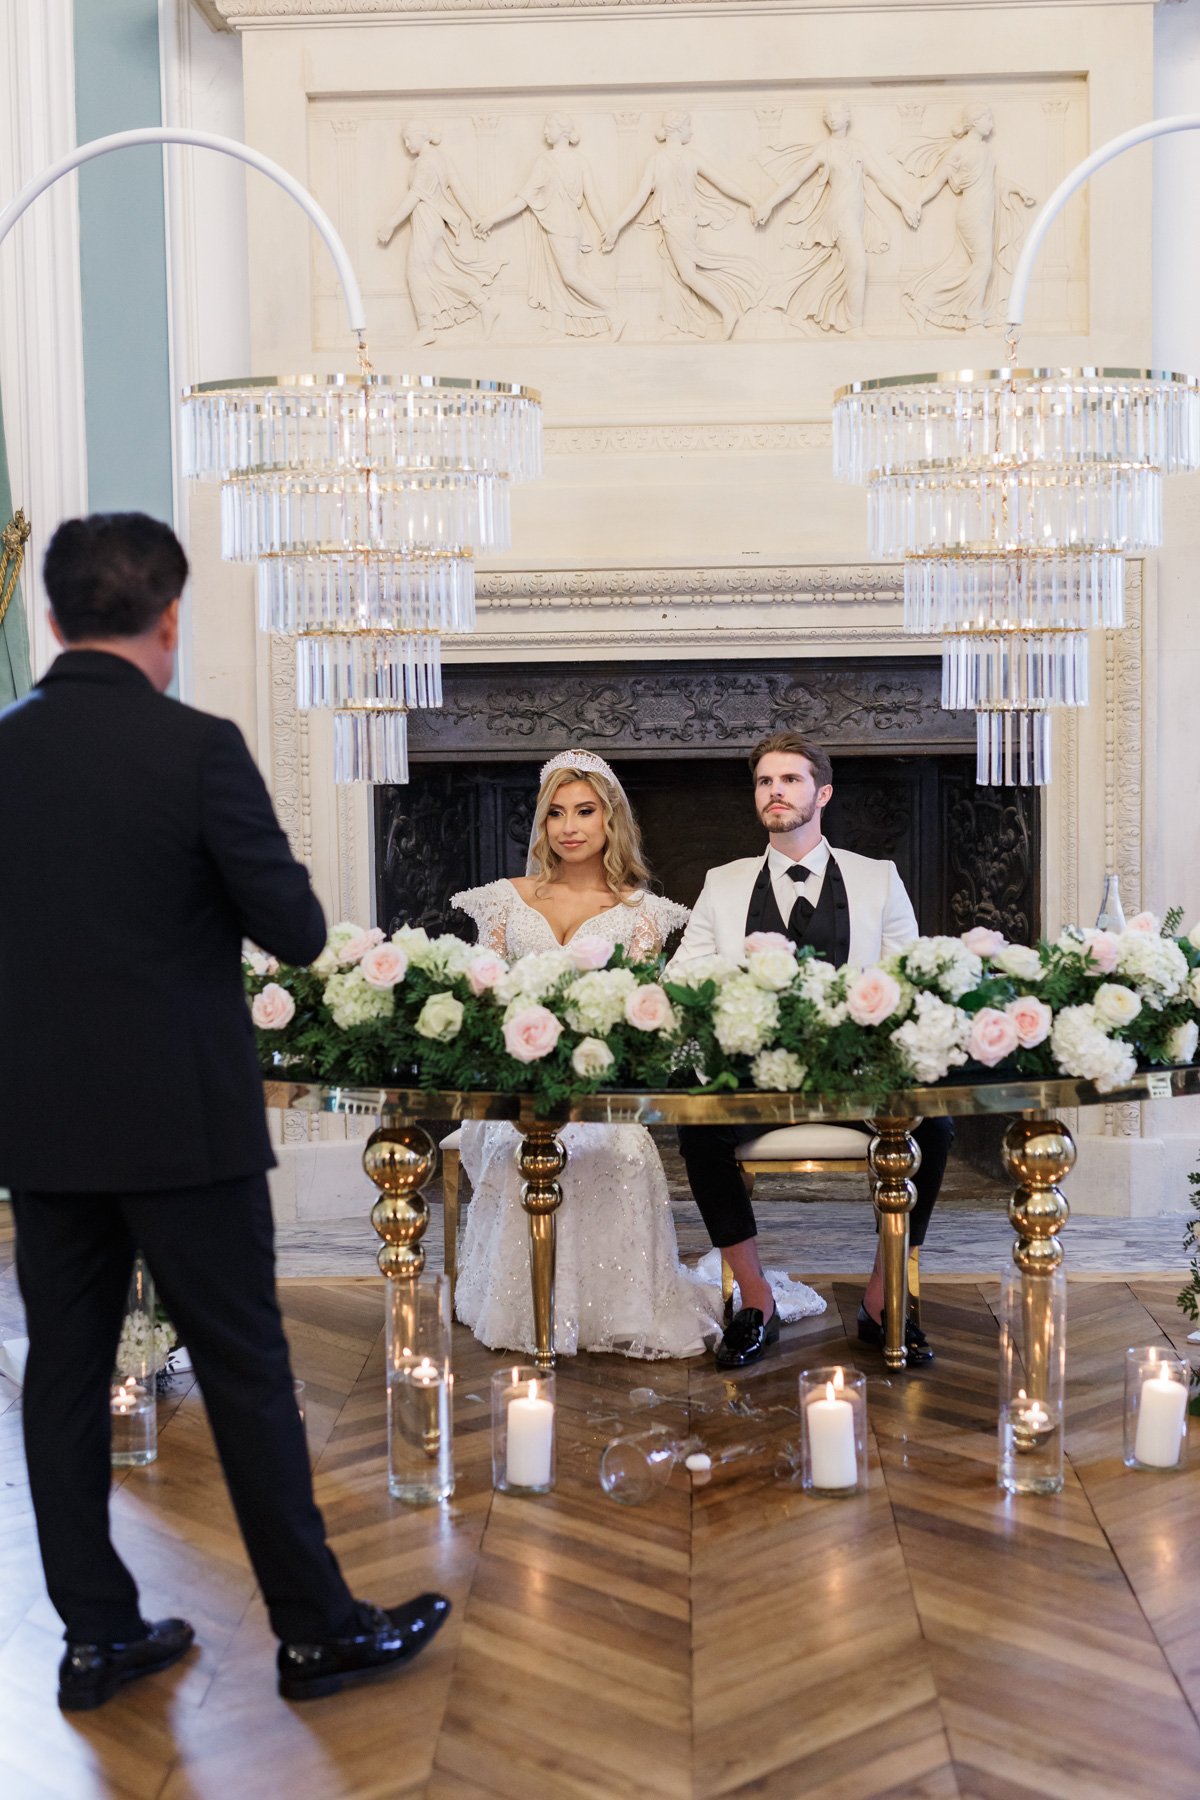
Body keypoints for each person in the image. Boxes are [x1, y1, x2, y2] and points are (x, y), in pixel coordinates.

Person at [0, 513, 449, 1711]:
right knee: (247, 1370)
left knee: (61, 1374)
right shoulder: (196, 748)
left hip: (42, 1127)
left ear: (50, 620)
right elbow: (296, 933)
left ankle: (96, 1636)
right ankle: (315, 1631)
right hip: (184, 1126)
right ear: (170, 618)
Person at [451, 750, 824, 1359]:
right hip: (513, 1082)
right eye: (556, 814)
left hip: (601, 1089)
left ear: (610, 820)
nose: (570, 827)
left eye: (585, 812)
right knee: (518, 1138)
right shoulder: (503, 902)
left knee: (616, 1144)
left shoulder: (643, 915)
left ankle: (613, 1308)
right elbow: (485, 1002)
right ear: (542, 824)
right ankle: (531, 1305)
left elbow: (642, 1025)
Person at [668, 730, 953, 1370]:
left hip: (853, 1073)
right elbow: (680, 975)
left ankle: (884, 1298)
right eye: (766, 782)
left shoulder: (878, 879)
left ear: (821, 792)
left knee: (935, 1125)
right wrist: (740, 982)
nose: (776, 792)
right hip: (755, 1074)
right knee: (697, 1127)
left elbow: (911, 975)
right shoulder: (724, 882)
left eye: (790, 780)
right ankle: (755, 1297)